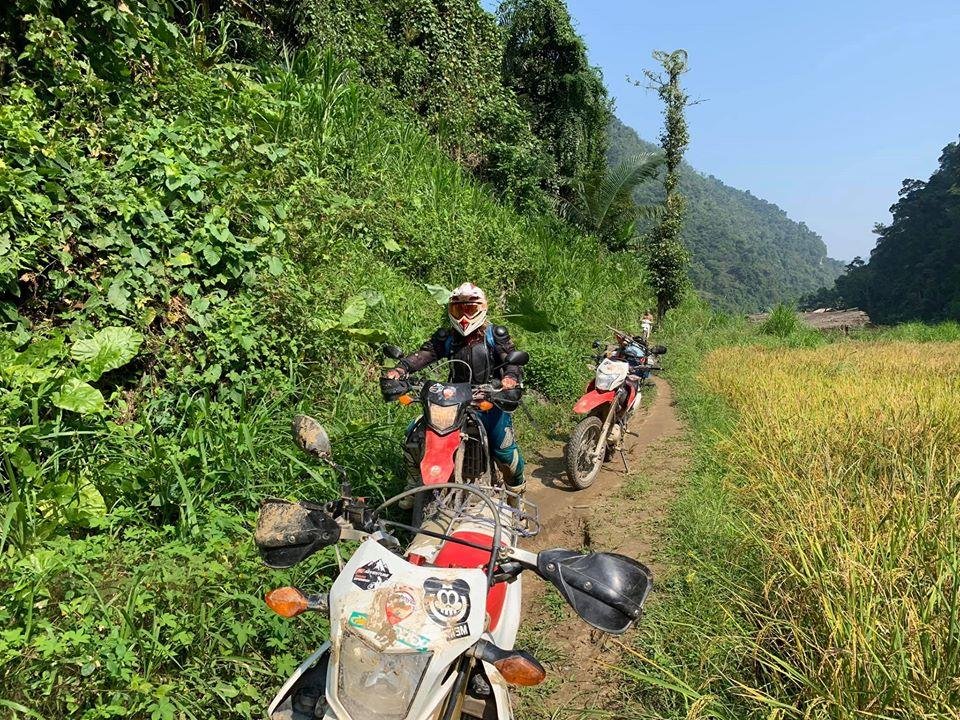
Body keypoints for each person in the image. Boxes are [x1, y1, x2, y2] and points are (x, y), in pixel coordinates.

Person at [384, 283, 526, 508]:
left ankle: (517, 495)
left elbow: (512, 360)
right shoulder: (447, 337)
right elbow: (425, 354)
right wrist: (400, 369)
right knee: (414, 435)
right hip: (453, 401)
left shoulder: (494, 335)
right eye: (459, 310)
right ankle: (413, 484)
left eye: (469, 309)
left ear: (481, 308)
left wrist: (510, 379)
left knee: (504, 449)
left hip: (488, 399)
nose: (464, 316)